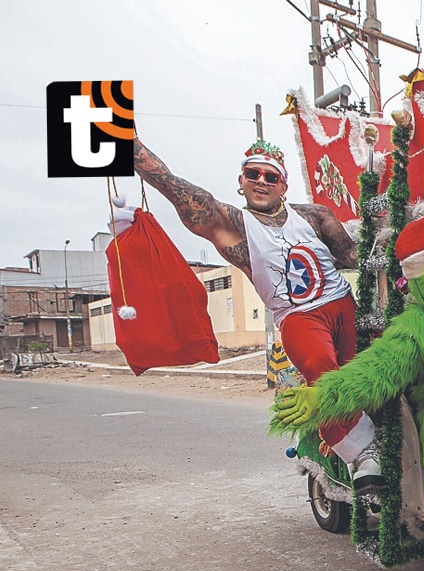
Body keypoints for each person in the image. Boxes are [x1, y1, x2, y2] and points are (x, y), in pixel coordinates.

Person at [129, 136, 384, 495]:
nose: (261, 181)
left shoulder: (314, 216)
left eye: (270, 176)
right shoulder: (232, 224)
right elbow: (171, 184)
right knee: (320, 370)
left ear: (283, 184)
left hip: (343, 304)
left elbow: (353, 256)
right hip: (299, 317)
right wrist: (128, 142)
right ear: (241, 180)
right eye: (253, 174)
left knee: (367, 376)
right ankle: (365, 455)